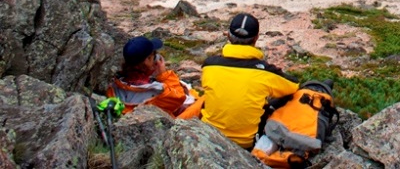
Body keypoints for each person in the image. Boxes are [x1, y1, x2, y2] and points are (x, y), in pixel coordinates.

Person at [201, 13, 299, 149]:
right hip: (246, 142)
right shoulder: (265, 72)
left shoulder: (209, 66)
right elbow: (294, 86)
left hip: (209, 134)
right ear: (256, 38)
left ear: (228, 36)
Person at [107, 35, 201, 118]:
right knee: (203, 100)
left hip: (137, 116)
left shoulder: (114, 87)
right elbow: (179, 97)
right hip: (165, 125)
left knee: (192, 93)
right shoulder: (158, 91)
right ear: (146, 60)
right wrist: (164, 74)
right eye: (153, 56)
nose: (156, 58)